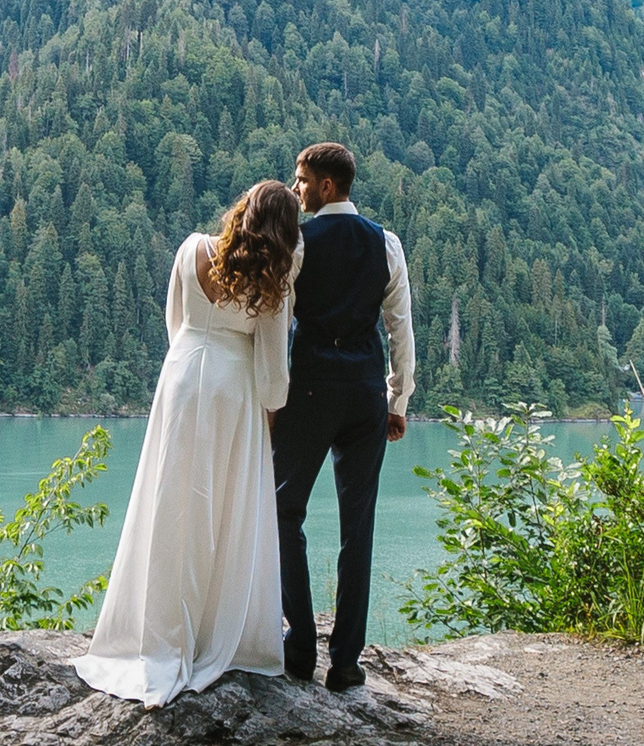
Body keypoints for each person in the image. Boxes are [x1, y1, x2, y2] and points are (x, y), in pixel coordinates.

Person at [73, 180, 304, 707]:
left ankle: (158, 634)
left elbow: (175, 321)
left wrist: (192, 353)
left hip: (181, 378)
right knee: (222, 511)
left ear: (241, 212)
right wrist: (271, 413)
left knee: (174, 505)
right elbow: (273, 370)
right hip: (232, 390)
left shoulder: (193, 248)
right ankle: (208, 635)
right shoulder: (275, 280)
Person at [272, 141, 415, 691]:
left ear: (326, 185)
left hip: (309, 393)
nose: (297, 188)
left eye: (302, 179)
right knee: (359, 527)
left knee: (285, 511)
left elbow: (282, 323)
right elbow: (399, 329)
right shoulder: (387, 243)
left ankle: (300, 646)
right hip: (363, 394)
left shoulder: (301, 242)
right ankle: (346, 662)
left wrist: (272, 398)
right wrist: (396, 403)